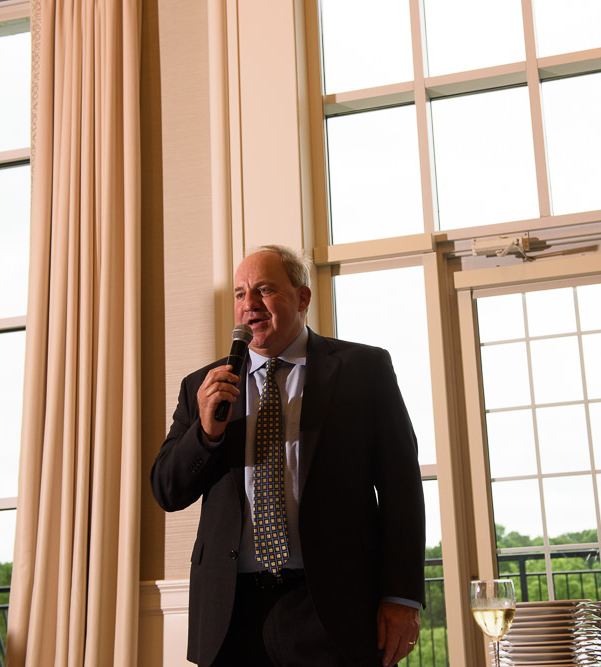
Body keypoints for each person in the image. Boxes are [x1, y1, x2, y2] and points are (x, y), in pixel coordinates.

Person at [151, 245, 426, 666]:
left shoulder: (362, 369)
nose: (250, 305)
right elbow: (167, 490)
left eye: (264, 290)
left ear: (302, 298)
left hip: (329, 605)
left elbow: (401, 489)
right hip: (230, 611)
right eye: (241, 294)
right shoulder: (202, 387)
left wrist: (401, 596)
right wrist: (206, 433)